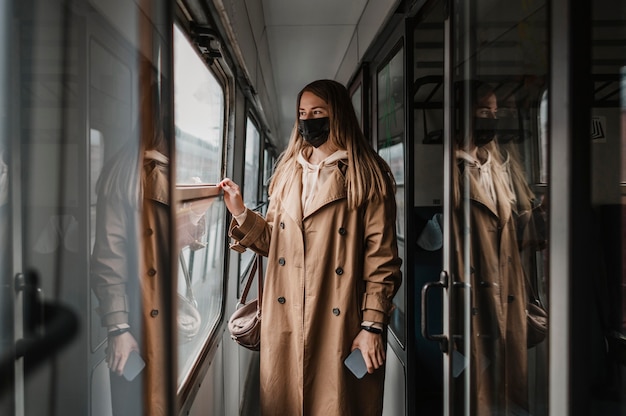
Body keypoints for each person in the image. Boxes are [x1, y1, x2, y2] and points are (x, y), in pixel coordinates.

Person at [219, 79, 402, 415]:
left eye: (317, 112)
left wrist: (372, 326)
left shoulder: (367, 174)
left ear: (339, 116)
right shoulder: (288, 172)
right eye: (302, 113)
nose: (308, 121)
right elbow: (276, 243)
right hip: (287, 318)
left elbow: (382, 261)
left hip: (341, 319)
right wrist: (241, 213)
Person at [90, 76, 171, 416]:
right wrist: (119, 327)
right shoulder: (126, 171)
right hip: (135, 314)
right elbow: (109, 257)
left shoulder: (160, 168)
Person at [450, 80, 531, 415]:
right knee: (478, 377)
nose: (491, 119)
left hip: (507, 280)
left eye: (494, 113)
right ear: (465, 114)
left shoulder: (499, 164)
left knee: (507, 376)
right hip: (471, 281)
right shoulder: (451, 166)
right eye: (484, 111)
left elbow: (519, 222)